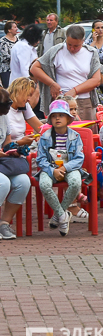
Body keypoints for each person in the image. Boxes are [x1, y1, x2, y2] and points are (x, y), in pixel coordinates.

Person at [30, 25, 103, 120]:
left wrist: (74, 91)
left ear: (83, 41)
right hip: (61, 101)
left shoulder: (91, 53)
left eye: (76, 46)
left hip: (84, 101)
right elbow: (34, 68)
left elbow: (96, 80)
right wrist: (52, 84)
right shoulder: (57, 51)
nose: (72, 48)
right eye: (69, 44)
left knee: (85, 131)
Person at [33, 99, 84, 236]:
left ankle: (58, 215)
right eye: (54, 116)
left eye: (61, 115)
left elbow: (79, 158)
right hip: (49, 168)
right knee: (44, 184)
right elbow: (41, 159)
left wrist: (64, 168)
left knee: (75, 182)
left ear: (68, 118)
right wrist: (52, 170)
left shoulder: (75, 136)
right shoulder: (45, 137)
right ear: (50, 119)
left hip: (69, 168)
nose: (57, 118)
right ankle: (63, 216)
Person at [0, 86, 31, 240]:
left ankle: (4, 223)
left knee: (23, 182)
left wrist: (13, 150)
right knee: (3, 183)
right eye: (4, 106)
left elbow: (6, 141)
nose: (7, 109)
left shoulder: (4, 116)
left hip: (2, 162)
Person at [3, 78, 42, 149]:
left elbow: (40, 128)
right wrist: (20, 142)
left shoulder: (24, 105)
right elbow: (4, 146)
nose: (29, 99)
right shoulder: (4, 109)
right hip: (9, 150)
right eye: (28, 95)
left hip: (23, 148)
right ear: (20, 92)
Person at [0, 21, 18, 88]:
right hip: (7, 70)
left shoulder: (19, 40)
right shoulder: (2, 42)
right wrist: (18, 58)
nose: (17, 29)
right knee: (9, 90)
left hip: (17, 70)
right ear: (9, 30)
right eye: (15, 27)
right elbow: (5, 57)